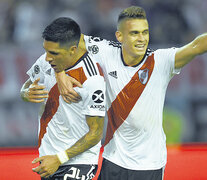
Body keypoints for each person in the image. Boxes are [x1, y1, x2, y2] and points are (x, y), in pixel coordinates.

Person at [55, 6, 207, 180]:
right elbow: (61, 37)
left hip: (150, 165)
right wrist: (59, 73)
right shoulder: (105, 52)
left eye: (145, 32)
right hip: (113, 162)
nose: (142, 39)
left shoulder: (161, 61)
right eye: (135, 33)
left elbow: (197, 46)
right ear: (120, 36)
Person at [20, 17, 106, 180]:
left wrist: (59, 159)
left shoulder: (92, 79)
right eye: (45, 50)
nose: (46, 58)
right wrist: (27, 93)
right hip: (48, 160)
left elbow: (96, 133)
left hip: (77, 163)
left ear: (72, 49)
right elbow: (24, 88)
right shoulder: (48, 61)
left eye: (53, 53)